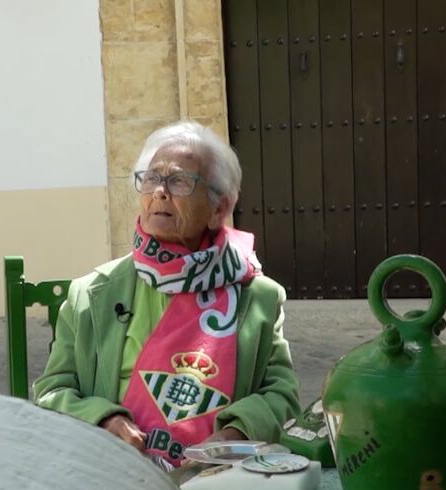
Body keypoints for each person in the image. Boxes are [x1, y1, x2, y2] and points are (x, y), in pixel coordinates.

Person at [33, 120, 300, 470]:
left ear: (219, 208)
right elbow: (51, 391)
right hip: (114, 474)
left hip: (216, 478)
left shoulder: (256, 298)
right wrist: (104, 420)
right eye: (152, 178)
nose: (160, 191)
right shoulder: (92, 294)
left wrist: (235, 433)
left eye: (179, 181)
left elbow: (282, 396)